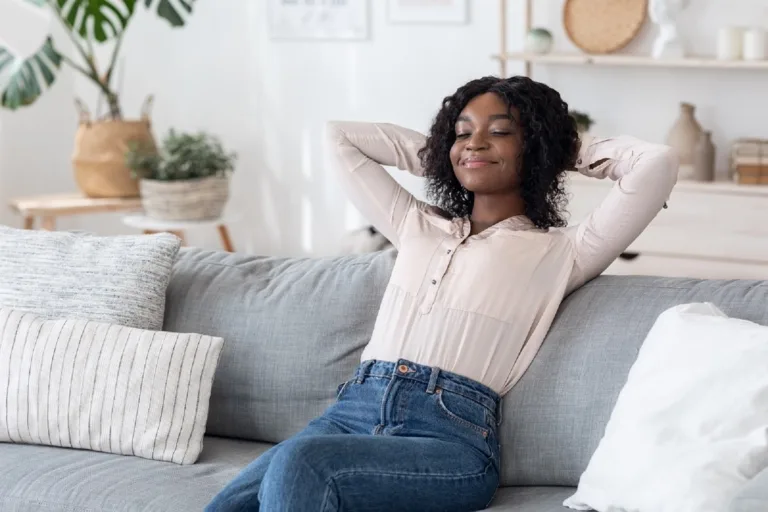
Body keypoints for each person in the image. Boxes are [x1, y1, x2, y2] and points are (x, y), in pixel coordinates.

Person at [206, 75, 678, 512]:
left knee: (301, 463)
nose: (475, 142)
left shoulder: (564, 251)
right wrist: (446, 158)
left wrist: (555, 146)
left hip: (450, 440)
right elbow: (340, 137)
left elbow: (656, 164)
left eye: (500, 131)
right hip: (349, 417)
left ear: (534, 144)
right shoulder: (417, 226)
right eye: (462, 132)